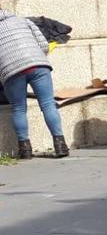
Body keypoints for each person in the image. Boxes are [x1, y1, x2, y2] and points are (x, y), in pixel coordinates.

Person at [0, 9, 68, 159]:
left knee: (18, 109)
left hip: (12, 71)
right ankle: (60, 144)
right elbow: (43, 44)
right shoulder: (23, 20)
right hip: (38, 65)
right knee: (48, 104)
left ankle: (25, 149)